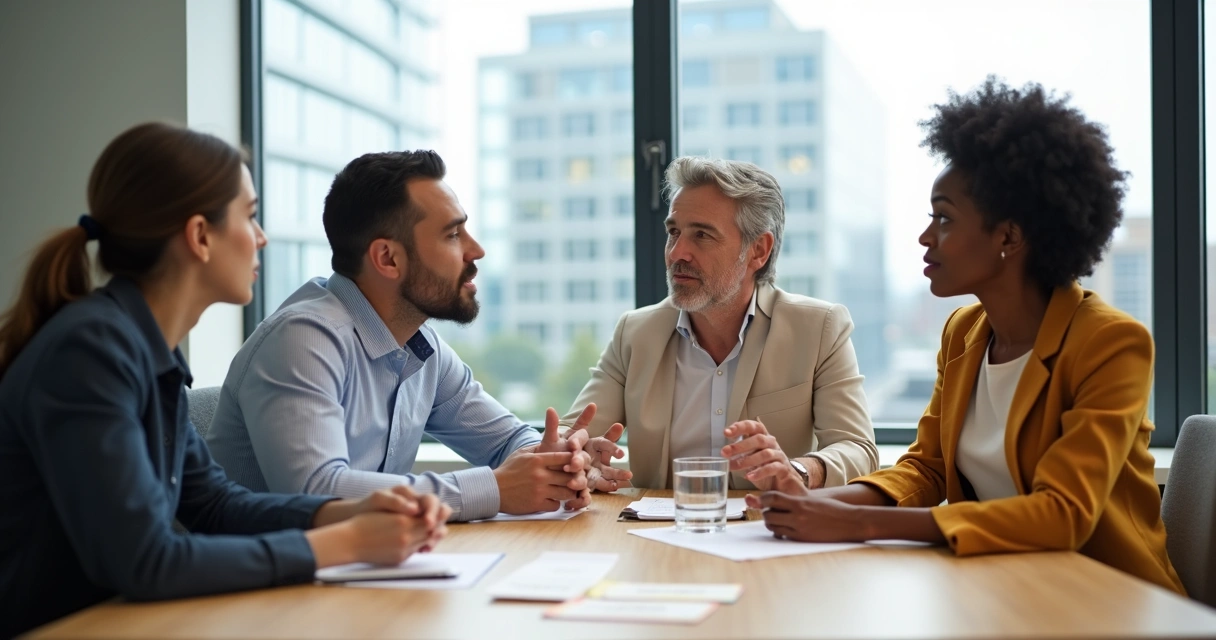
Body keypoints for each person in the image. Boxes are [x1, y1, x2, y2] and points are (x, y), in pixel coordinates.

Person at [0, 123, 451, 637]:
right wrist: (348, 543)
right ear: (199, 236)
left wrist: (344, 510)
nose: (261, 237)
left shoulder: (145, 350)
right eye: (251, 216)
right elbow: (145, 562)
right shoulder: (90, 353)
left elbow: (215, 504)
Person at [749, 77, 1185, 595]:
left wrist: (859, 524)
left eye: (944, 218)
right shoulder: (965, 333)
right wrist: (810, 501)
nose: (925, 236)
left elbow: (1063, 514)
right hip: (1001, 588)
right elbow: (927, 469)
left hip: (1106, 598)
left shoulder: (1110, 342)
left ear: (1009, 236)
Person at [206, 151, 625, 521]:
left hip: (358, 579)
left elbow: (508, 441)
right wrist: (495, 490)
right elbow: (316, 492)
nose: (476, 250)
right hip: (262, 597)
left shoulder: (419, 347)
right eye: (453, 234)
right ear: (388, 258)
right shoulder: (305, 338)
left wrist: (559, 458)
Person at [563, 157, 878, 492]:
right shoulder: (635, 333)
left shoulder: (819, 329)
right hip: (656, 533)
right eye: (674, 232)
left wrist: (796, 470)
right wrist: (575, 456)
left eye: (702, 234)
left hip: (767, 530)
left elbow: (858, 449)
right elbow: (573, 435)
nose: (677, 252)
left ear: (758, 250)